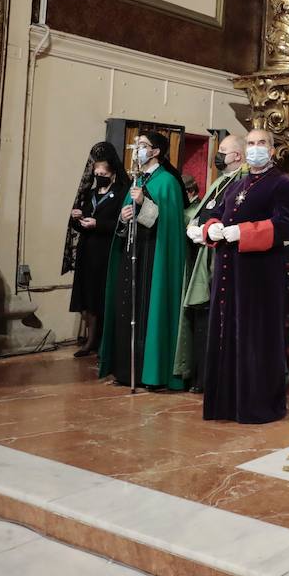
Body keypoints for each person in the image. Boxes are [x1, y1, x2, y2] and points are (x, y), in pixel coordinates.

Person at [188, 129, 289, 423]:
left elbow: (285, 225)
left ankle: (257, 406)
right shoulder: (238, 184)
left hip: (259, 275)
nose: (255, 148)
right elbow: (220, 213)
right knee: (227, 334)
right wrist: (211, 227)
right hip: (230, 270)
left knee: (255, 339)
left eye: (261, 144)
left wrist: (243, 232)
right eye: (250, 144)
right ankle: (226, 403)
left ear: (272, 150)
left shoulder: (282, 183)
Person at [98, 131, 188, 390]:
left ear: (156, 151)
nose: (137, 149)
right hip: (132, 254)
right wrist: (125, 217)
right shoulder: (137, 180)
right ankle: (125, 370)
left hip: (154, 256)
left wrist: (145, 203)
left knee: (149, 310)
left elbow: (169, 224)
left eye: (143, 145)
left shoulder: (167, 182)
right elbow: (126, 223)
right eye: (137, 145)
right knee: (127, 309)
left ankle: (150, 373)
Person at [174, 135, 246, 390]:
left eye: (224, 151)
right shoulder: (220, 181)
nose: (219, 155)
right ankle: (197, 375)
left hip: (219, 256)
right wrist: (194, 225)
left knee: (213, 314)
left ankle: (210, 378)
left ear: (237, 155)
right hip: (201, 252)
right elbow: (206, 210)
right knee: (199, 316)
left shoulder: (242, 181)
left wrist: (207, 231)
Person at [66, 142, 130, 357]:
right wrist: (77, 219)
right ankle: (90, 339)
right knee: (87, 297)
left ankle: (101, 340)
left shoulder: (121, 192)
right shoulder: (91, 193)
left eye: (103, 170)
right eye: (96, 170)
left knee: (101, 296)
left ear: (112, 171)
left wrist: (98, 225)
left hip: (106, 251)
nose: (99, 173)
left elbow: (122, 224)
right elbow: (80, 221)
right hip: (87, 250)